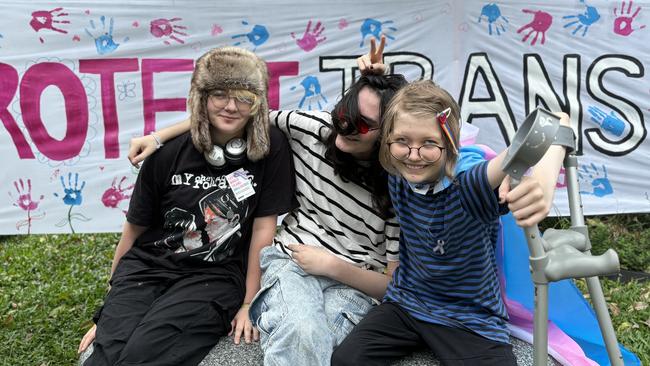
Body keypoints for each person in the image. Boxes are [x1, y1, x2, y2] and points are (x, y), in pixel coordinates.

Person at [124, 40, 484, 365]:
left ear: (389, 135)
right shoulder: (312, 127)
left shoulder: (400, 184)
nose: (344, 127)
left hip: (353, 282)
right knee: (303, 332)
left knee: (323, 341)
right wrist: (158, 136)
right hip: (292, 261)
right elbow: (235, 117)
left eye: (361, 126)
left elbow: (391, 283)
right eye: (344, 113)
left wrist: (331, 266)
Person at [77, 46, 296, 366]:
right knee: (104, 356)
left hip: (214, 276)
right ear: (201, 97)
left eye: (244, 97)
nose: (232, 106)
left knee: (143, 355)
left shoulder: (270, 148)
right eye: (220, 94)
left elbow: (264, 229)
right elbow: (134, 229)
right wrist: (107, 311)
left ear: (257, 103)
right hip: (147, 268)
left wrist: (249, 302)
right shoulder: (166, 153)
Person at [331, 80, 569, 366]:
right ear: (387, 139)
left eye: (429, 143)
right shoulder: (395, 169)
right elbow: (355, 122)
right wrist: (371, 77)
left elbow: (554, 122)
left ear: (450, 144)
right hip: (407, 304)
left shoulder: (470, 184)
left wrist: (542, 180)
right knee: (346, 360)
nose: (414, 155)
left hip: (469, 318)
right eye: (403, 141)